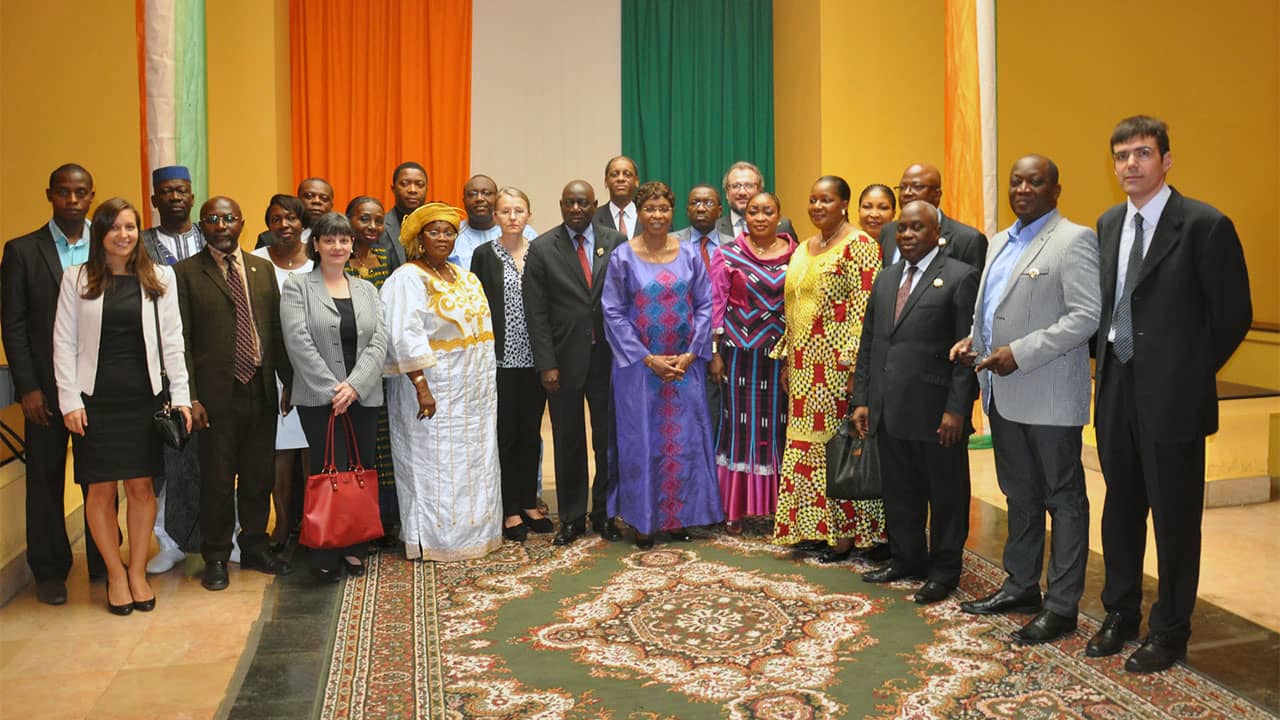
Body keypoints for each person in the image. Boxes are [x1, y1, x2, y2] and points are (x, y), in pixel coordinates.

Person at [1086, 116, 1251, 673]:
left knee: (1176, 520)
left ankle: (1171, 629)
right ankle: (1120, 613)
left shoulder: (1204, 225)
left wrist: (1185, 373)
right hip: (1115, 391)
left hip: (1173, 398)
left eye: (1143, 154)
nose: (1131, 164)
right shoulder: (1109, 223)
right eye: (1122, 156)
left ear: (1166, 160)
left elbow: (1232, 316)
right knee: (1122, 508)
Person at [950, 155, 1101, 646]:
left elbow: (1085, 316)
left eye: (1035, 182)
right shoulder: (999, 241)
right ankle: (1020, 587)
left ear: (1056, 191)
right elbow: (993, 308)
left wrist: (1021, 351)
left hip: (1050, 394)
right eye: (1016, 181)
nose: (1023, 189)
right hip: (1003, 393)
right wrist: (973, 340)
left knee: (1064, 500)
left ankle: (1061, 606)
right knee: (1020, 496)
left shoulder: (1074, 240)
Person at [52, 197, 191, 614]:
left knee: (142, 488)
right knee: (100, 488)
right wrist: (69, 401)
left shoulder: (158, 276)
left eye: (130, 227)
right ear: (101, 234)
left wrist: (181, 396)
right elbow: (63, 344)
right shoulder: (76, 278)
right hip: (94, 401)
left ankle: (136, 571)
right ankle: (114, 574)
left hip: (143, 399)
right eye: (115, 227)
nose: (124, 235)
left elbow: (173, 342)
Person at [851, 200, 979, 605]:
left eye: (916, 229)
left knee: (945, 495)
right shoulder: (886, 279)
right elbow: (871, 342)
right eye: (902, 229)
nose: (906, 235)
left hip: (937, 412)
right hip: (889, 408)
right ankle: (906, 558)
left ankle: (944, 571)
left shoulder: (960, 278)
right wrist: (863, 399)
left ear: (936, 234)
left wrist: (957, 409)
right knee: (899, 491)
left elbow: (967, 353)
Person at [1, 163, 115, 604]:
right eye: (64, 192)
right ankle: (49, 569)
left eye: (81, 192)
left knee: (101, 476)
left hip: (100, 386)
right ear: (49, 194)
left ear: (91, 196)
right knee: (45, 477)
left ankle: (104, 561)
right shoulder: (22, 251)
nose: (73, 199)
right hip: (44, 390)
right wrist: (27, 387)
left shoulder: (108, 247)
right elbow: (13, 325)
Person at [175, 196, 295, 590]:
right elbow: (183, 341)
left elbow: (275, 331)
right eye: (212, 219)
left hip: (259, 389)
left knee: (259, 476)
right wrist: (190, 397)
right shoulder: (186, 273)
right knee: (217, 479)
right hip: (213, 399)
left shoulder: (261, 268)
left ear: (242, 223)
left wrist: (287, 380)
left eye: (229, 218)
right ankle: (216, 556)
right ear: (202, 225)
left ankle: (256, 546)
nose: (221, 224)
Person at [770, 176, 886, 563]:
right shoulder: (803, 248)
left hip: (838, 369)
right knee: (807, 448)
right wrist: (788, 358)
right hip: (804, 368)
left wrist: (856, 369)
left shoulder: (861, 247)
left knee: (839, 449)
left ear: (844, 204)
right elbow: (793, 308)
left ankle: (847, 534)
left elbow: (864, 310)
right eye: (812, 199)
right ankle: (813, 527)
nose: (818, 206)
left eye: (827, 200)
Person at [602, 181, 722, 548]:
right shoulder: (623, 257)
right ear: (640, 213)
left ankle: (678, 518)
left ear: (673, 213)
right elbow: (612, 311)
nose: (657, 215)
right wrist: (647, 358)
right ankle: (643, 521)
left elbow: (705, 305)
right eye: (650, 209)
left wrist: (690, 353)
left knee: (683, 442)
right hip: (639, 369)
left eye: (664, 209)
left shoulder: (688, 255)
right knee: (642, 442)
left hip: (685, 368)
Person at [381, 202, 502, 561]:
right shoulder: (407, 278)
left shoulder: (466, 276)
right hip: (433, 391)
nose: (443, 237)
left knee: (474, 463)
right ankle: (434, 539)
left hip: (475, 393)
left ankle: (477, 533)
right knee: (434, 464)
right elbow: (403, 334)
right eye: (434, 231)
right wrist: (420, 385)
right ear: (419, 238)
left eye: (449, 231)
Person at [281, 212, 388, 580]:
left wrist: (354, 386)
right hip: (318, 398)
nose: (338, 247)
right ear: (316, 244)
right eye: (330, 240)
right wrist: (333, 390)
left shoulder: (366, 289)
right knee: (329, 470)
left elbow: (379, 341)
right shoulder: (298, 287)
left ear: (351, 245)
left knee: (359, 469)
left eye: (344, 240)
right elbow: (298, 342)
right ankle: (326, 547)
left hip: (363, 396)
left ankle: (355, 545)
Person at [523, 181, 628, 545]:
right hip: (562, 363)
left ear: (594, 204)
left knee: (608, 440)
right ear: (562, 205)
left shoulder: (615, 241)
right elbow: (534, 313)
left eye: (584, 202)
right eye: (571, 202)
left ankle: (605, 513)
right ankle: (571, 517)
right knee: (568, 441)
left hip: (609, 360)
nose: (577, 208)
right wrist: (546, 364)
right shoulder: (541, 249)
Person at [471, 188, 553, 541]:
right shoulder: (483, 255)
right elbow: (477, 308)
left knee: (530, 434)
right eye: (506, 211)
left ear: (529, 214)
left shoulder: (542, 254)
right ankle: (507, 508)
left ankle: (528, 502)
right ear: (496, 216)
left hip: (536, 360)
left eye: (519, 210)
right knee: (505, 434)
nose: (513, 217)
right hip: (501, 360)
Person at [712, 191, 795, 534]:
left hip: (780, 358)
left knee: (777, 429)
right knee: (739, 429)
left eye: (768, 211)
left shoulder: (797, 254)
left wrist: (794, 356)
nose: (760, 217)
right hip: (738, 356)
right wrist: (714, 352)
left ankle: (780, 508)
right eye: (753, 211)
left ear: (779, 215)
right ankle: (735, 509)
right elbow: (716, 304)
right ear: (744, 216)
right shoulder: (727, 253)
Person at [139, 165, 205, 574]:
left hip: (209, 363)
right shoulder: (141, 245)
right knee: (166, 460)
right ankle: (168, 542)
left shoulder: (210, 234)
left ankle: (222, 535)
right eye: (167, 192)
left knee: (213, 460)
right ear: (155, 200)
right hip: (159, 368)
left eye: (182, 191)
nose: (175, 198)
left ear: (192, 196)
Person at [251, 195, 314, 552]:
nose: (284, 225)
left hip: (313, 370)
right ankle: (282, 526)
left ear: (302, 222)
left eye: (291, 218)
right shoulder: (256, 262)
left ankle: (310, 522)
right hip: (271, 369)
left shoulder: (316, 261)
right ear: (268, 224)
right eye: (276, 219)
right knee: (280, 451)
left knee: (310, 450)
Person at [344, 195, 400, 547]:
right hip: (348, 370)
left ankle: (384, 521)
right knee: (354, 448)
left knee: (385, 446)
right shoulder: (338, 261)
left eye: (378, 221)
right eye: (364, 219)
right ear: (349, 220)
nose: (372, 227)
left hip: (384, 367)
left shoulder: (384, 258)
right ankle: (354, 524)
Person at [674, 185, 729, 441]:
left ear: (720, 210)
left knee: (720, 416)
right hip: (680, 344)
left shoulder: (735, 246)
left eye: (708, 203)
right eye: (695, 202)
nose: (701, 208)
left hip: (727, 344)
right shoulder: (671, 243)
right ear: (687, 209)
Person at [877, 163, 987, 270]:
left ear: (937, 195)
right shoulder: (888, 232)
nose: (907, 193)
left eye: (917, 187)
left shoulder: (968, 240)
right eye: (902, 187)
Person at [453, 174, 537, 272]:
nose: (479, 198)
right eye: (472, 194)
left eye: (487, 193)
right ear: (463, 201)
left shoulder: (525, 232)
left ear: (497, 200)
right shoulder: (452, 233)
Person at [715, 161, 797, 245]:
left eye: (749, 186)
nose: (742, 192)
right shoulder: (715, 228)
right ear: (727, 193)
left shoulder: (783, 226)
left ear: (760, 191)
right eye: (735, 186)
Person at [255, 177, 333, 249]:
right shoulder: (268, 239)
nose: (316, 201)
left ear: (331, 205)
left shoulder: (342, 237)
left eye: (324, 198)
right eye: (309, 196)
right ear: (298, 200)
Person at [377, 161, 427, 270]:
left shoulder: (434, 226)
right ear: (393, 189)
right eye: (404, 184)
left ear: (426, 189)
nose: (412, 190)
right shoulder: (379, 227)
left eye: (419, 185)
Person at [592, 156, 639, 237]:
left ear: (636, 181)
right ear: (606, 182)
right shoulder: (593, 218)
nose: (620, 179)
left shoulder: (648, 215)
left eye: (627, 174)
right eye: (614, 175)